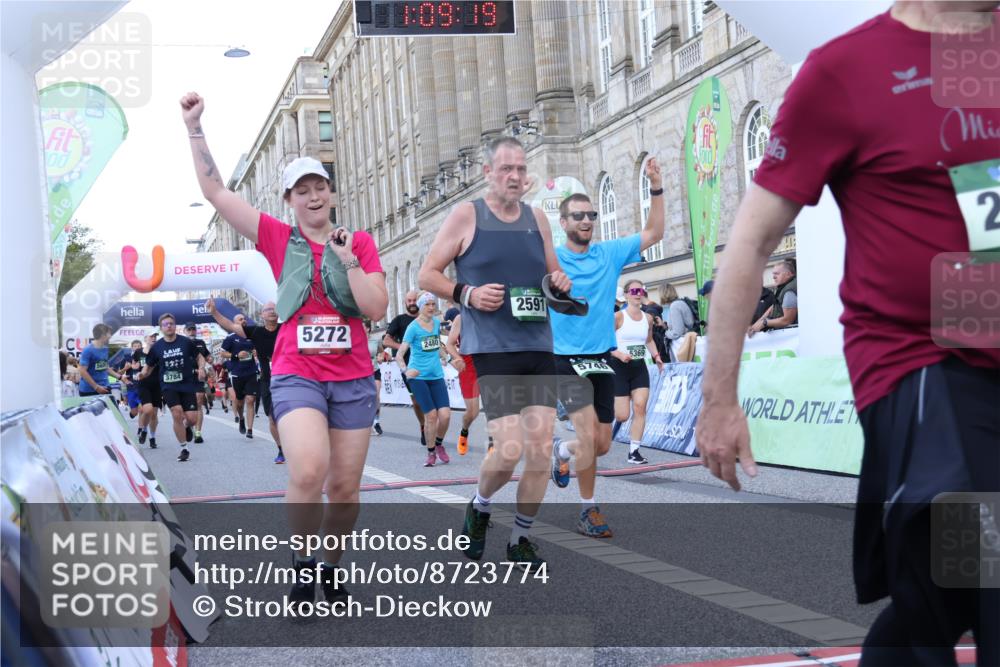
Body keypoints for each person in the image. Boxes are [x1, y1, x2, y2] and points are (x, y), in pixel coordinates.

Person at [695, 3, 1000, 665]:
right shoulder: (847, 71)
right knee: (984, 565)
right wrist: (719, 398)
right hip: (924, 369)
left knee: (939, 599)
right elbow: (749, 244)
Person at [182, 92, 386, 605]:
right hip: (297, 372)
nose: (313, 196)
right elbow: (215, 192)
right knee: (309, 469)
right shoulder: (276, 237)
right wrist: (194, 128)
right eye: (302, 190)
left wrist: (350, 261)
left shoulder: (357, 242)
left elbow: (376, 308)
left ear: (331, 194)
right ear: (290, 201)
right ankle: (301, 563)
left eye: (320, 187)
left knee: (343, 490)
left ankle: (332, 564)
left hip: (353, 376)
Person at [419, 135, 572, 567]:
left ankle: (519, 539)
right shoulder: (467, 216)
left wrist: (561, 284)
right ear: (488, 173)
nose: (516, 176)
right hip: (494, 350)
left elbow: (554, 275)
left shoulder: (538, 218)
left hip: (538, 344)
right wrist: (465, 293)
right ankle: (480, 505)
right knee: (508, 450)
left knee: (541, 449)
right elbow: (427, 274)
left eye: (521, 169)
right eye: (506, 169)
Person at [548, 157, 665, 538]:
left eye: (591, 215)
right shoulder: (551, 259)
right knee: (587, 437)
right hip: (565, 360)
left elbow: (655, 232)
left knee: (598, 446)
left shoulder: (609, 253)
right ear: (563, 223)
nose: (586, 221)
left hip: (600, 359)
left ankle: (561, 453)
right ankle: (588, 510)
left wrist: (656, 186)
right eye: (577, 216)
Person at [208, 298, 285, 461]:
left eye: (274, 309)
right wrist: (214, 312)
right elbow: (229, 325)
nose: (272, 311)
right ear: (261, 315)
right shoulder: (255, 332)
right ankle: (281, 449)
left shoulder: (287, 329)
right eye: (268, 309)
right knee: (272, 417)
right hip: (268, 380)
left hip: (290, 378)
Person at [138, 313, 207, 461]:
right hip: (169, 385)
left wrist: (201, 368)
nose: (169, 326)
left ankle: (187, 426)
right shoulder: (157, 347)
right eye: (165, 324)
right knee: (176, 412)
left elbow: (199, 357)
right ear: (161, 328)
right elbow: (148, 367)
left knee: (192, 419)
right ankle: (184, 448)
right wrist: (142, 374)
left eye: (171, 323)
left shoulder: (186, 342)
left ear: (175, 326)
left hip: (187, 384)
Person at [610, 279, 664, 465]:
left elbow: (648, 340)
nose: (637, 293)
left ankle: (634, 452)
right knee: (622, 416)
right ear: (625, 295)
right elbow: (604, 343)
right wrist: (618, 354)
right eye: (633, 290)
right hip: (618, 368)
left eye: (641, 290)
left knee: (640, 407)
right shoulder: (618, 317)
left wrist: (656, 356)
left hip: (639, 368)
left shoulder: (647, 318)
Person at [396, 292, 452, 467]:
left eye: (433, 304)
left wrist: (448, 358)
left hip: (436, 375)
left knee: (445, 415)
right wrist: (406, 371)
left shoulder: (436, 323)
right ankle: (431, 453)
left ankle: (439, 444)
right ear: (421, 306)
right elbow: (399, 355)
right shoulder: (413, 327)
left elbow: (436, 345)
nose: (431, 307)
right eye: (427, 304)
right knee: (431, 415)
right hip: (418, 378)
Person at [444, 313, 491, 457]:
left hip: (488, 363)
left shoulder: (492, 314)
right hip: (468, 366)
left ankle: (493, 444)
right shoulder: (461, 318)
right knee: (473, 412)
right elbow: (449, 344)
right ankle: (464, 431)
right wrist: (457, 358)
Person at [383, 290, 426, 445]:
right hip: (408, 366)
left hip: (429, 365)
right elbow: (386, 341)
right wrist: (404, 347)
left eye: (415, 300)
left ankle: (432, 427)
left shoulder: (427, 319)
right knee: (417, 401)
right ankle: (423, 426)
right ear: (405, 302)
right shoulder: (399, 320)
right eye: (409, 301)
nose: (412, 303)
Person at [220, 314, 258, 438]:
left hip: (251, 372)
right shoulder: (231, 338)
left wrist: (257, 352)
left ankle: (250, 430)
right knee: (240, 402)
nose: (244, 321)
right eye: (240, 319)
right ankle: (241, 418)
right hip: (237, 374)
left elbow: (260, 349)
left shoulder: (252, 335)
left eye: (244, 319)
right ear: (234, 323)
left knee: (250, 400)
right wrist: (236, 356)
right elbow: (223, 353)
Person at [748, 259, 798, 337]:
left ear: (788, 274)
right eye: (773, 274)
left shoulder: (789, 291)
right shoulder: (783, 287)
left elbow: (787, 320)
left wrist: (764, 323)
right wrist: (758, 323)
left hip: (789, 337)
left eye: (777, 274)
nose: (773, 277)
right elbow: (774, 306)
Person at [183, 322, 211, 442]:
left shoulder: (200, 343)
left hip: (199, 376)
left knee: (199, 401)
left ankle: (198, 433)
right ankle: (187, 425)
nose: (191, 332)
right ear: (184, 331)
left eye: (193, 329)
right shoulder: (181, 343)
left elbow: (208, 356)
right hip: (185, 377)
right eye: (189, 330)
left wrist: (210, 360)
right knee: (187, 407)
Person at [132, 334, 161, 448]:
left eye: (155, 337)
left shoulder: (159, 351)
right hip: (143, 384)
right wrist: (135, 369)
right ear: (145, 339)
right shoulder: (138, 352)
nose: (153, 339)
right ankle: (144, 429)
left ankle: (152, 437)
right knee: (147, 410)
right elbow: (134, 365)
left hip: (157, 384)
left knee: (154, 413)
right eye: (151, 337)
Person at [78, 323, 121, 397]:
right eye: (109, 333)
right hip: (89, 390)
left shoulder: (105, 349)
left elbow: (105, 367)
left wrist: (120, 377)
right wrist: (96, 387)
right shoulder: (88, 350)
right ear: (103, 335)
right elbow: (82, 371)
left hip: (105, 387)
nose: (110, 336)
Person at [367, 324, 385, 436]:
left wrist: (380, 357)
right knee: (365, 397)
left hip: (375, 370)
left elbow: (382, 351)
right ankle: (366, 422)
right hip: (362, 372)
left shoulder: (375, 340)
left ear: (368, 328)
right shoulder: (354, 340)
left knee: (376, 396)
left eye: (365, 327)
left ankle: (376, 421)